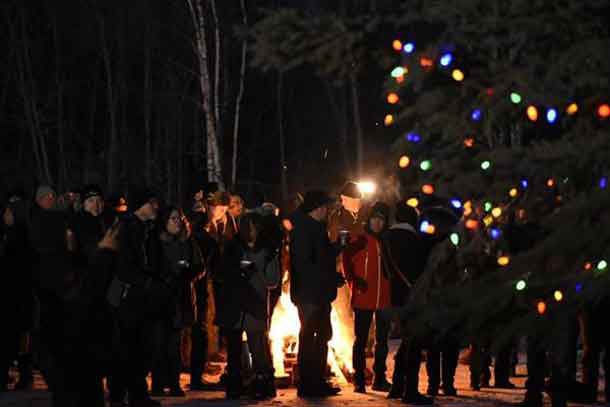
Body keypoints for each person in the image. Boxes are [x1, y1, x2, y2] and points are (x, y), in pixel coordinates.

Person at [107, 186, 162, 407]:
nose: (156, 207)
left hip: (140, 297)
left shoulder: (144, 228)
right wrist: (145, 281)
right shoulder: (128, 228)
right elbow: (124, 265)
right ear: (142, 205)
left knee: (140, 347)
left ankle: (138, 393)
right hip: (128, 298)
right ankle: (119, 396)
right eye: (152, 203)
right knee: (126, 347)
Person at [217, 213, 280, 399]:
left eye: (255, 227)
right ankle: (235, 383)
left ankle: (263, 383)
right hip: (234, 303)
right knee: (234, 349)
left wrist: (255, 271)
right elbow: (222, 273)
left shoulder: (268, 251)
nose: (251, 231)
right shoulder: (232, 248)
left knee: (258, 346)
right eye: (248, 227)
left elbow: (273, 280)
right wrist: (236, 271)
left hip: (255, 303)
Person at [289, 190, 344, 398]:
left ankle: (316, 381)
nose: (327, 211)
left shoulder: (315, 229)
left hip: (317, 294)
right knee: (311, 338)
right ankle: (308, 382)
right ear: (317, 208)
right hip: (310, 295)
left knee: (320, 337)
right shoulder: (304, 230)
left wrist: (335, 252)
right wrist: (328, 275)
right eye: (324, 207)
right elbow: (307, 265)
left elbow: (321, 259)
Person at [151, 207, 205, 398]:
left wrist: (187, 273)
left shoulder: (188, 242)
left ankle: (174, 383)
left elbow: (200, 266)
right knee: (158, 343)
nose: (176, 222)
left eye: (179, 218)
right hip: (160, 298)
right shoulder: (156, 242)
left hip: (180, 297)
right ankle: (157, 383)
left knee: (175, 344)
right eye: (172, 218)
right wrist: (164, 276)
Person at [383, 202, 432, 404]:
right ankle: (410, 390)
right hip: (412, 297)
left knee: (406, 341)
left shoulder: (385, 238)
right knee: (414, 343)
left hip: (390, 297)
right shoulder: (415, 241)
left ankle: (396, 385)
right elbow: (423, 271)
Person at [343, 202, 393, 393]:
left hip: (384, 298)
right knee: (361, 339)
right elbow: (346, 262)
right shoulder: (359, 239)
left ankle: (379, 377)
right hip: (363, 297)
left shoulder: (387, 241)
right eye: (375, 219)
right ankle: (359, 378)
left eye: (382, 219)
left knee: (382, 340)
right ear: (369, 219)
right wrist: (354, 282)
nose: (378, 223)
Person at [1, 194, 33, 392]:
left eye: (9, 211)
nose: (6, 214)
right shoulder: (12, 234)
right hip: (15, 296)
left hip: (16, 297)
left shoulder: (17, 237)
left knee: (17, 339)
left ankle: (23, 376)